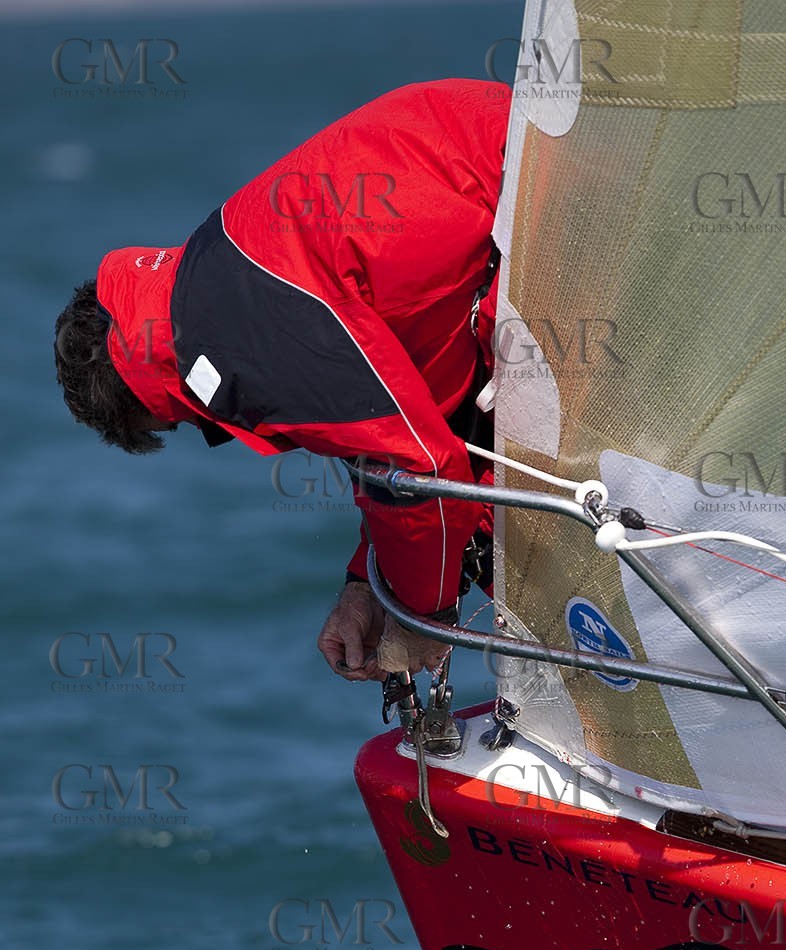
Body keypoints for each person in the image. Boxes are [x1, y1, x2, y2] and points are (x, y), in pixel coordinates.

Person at [54, 78, 509, 680]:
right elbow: (395, 422)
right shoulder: (214, 280)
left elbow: (416, 470)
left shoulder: (235, 339)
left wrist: (424, 619)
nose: (197, 425)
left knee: (520, 532)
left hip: (534, 194)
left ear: (147, 395)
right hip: (511, 156)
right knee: (501, 529)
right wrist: (368, 586)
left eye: (173, 422)